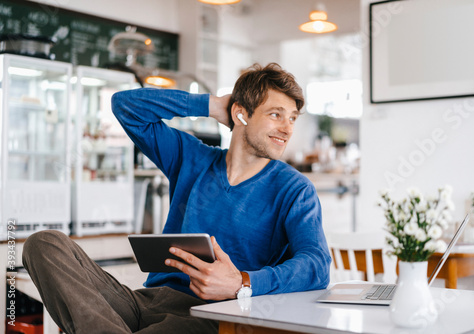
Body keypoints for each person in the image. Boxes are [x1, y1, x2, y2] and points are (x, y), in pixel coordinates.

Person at [22, 63, 331, 334]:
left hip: (212, 314)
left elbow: (316, 265)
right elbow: (125, 106)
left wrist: (242, 282)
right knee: (43, 244)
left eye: (292, 118)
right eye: (276, 114)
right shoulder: (192, 158)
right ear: (241, 114)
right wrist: (210, 105)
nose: (287, 128)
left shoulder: (295, 190)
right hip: (146, 302)